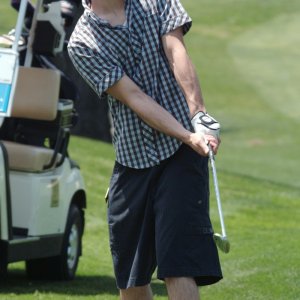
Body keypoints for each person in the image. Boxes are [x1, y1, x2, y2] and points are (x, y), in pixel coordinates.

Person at [68, 0, 223, 299]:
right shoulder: (83, 42)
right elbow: (134, 96)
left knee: (178, 265)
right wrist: (187, 135)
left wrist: (198, 117)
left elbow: (176, 51)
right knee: (131, 279)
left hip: (181, 154)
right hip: (132, 160)